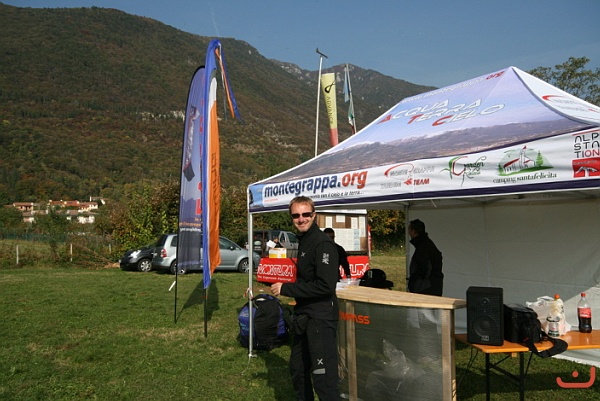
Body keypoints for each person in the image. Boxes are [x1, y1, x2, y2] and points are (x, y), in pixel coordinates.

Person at [271, 196, 340, 401]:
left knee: (323, 378)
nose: (301, 219)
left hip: (320, 318)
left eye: (305, 214)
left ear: (314, 215)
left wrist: (287, 288)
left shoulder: (323, 244)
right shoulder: (304, 240)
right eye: (296, 215)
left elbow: (325, 285)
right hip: (304, 316)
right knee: (298, 369)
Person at [407, 219, 443, 296]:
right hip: (432, 285)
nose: (408, 232)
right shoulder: (426, 243)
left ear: (414, 231)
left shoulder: (423, 247)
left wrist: (414, 280)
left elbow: (424, 270)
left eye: (409, 229)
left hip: (426, 288)